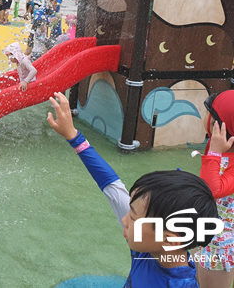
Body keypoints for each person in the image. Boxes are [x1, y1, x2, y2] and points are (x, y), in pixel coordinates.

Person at [47, 91, 219, 288]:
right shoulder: (149, 245)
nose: (124, 219)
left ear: (170, 239)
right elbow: (112, 186)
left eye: (133, 216)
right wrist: (74, 137)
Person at [197, 90, 234, 288]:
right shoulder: (217, 145)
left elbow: (211, 190)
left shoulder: (217, 150)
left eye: (210, 116)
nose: (206, 118)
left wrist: (215, 153)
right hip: (205, 229)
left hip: (222, 243)